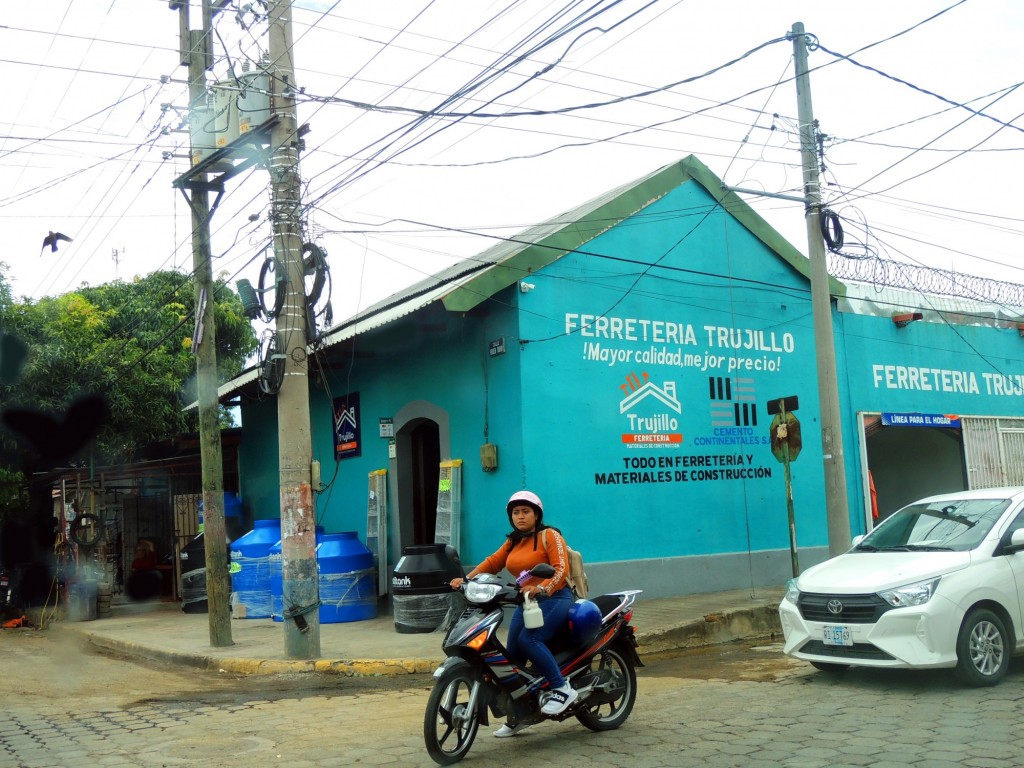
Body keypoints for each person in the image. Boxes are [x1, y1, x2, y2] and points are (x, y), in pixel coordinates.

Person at [449, 490, 577, 737]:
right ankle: (520, 713)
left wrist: (541, 588)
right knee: (512, 655)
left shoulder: (549, 535)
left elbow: (561, 569)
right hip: (525, 601)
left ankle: (562, 688)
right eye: (516, 512)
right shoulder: (513, 541)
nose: (520, 517)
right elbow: (493, 562)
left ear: (536, 515)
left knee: (529, 640)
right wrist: (466, 580)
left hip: (554, 597)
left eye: (526, 512)